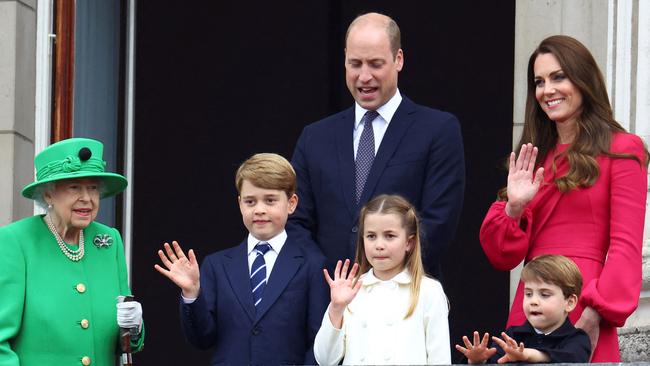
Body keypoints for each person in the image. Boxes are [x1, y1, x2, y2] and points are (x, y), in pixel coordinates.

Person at [479, 35, 648, 362]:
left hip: (585, 302)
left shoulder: (623, 149)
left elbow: (625, 245)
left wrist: (597, 310)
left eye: (559, 77)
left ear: (584, 80)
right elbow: (501, 256)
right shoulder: (534, 155)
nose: (547, 90)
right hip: (531, 308)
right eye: (539, 82)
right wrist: (513, 207)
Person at [289, 12, 465, 278]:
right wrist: (326, 276)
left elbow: (437, 223)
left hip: (404, 300)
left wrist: (380, 279)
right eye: (355, 63)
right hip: (330, 300)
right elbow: (296, 220)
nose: (364, 76)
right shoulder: (315, 137)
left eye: (375, 64)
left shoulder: (437, 130)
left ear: (399, 60)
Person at [155, 153, 329, 365]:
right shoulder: (217, 265)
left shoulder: (312, 265)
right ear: (240, 204)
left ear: (291, 203)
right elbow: (202, 338)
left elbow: (319, 342)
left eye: (270, 200)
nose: (259, 210)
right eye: (250, 201)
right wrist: (192, 294)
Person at [0, 137, 144, 366]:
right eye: (74, 187)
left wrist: (134, 328)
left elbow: (124, 342)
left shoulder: (109, 242)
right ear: (48, 194)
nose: (86, 198)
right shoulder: (15, 242)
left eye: (93, 188)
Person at [314, 194, 450, 365]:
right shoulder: (352, 289)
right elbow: (325, 360)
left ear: (409, 242)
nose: (379, 245)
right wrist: (336, 308)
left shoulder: (428, 290)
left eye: (389, 236)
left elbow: (440, 359)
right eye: (371, 236)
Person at [457, 255, 590, 364]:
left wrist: (529, 354)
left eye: (544, 295)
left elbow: (573, 358)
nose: (533, 301)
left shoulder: (577, 338)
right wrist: (478, 360)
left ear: (570, 302)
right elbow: (495, 359)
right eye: (528, 294)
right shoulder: (513, 335)